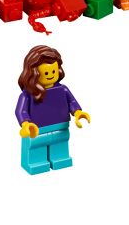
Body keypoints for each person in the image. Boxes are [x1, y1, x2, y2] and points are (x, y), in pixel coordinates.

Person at [15, 45, 91, 175]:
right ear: (33, 73)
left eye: (53, 71)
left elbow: (72, 102)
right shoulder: (28, 95)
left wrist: (78, 113)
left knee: (60, 144)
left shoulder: (63, 89)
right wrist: (26, 124)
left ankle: (60, 158)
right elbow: (21, 111)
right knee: (35, 147)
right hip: (37, 130)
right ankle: (34, 163)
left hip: (61, 127)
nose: (50, 75)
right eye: (46, 73)